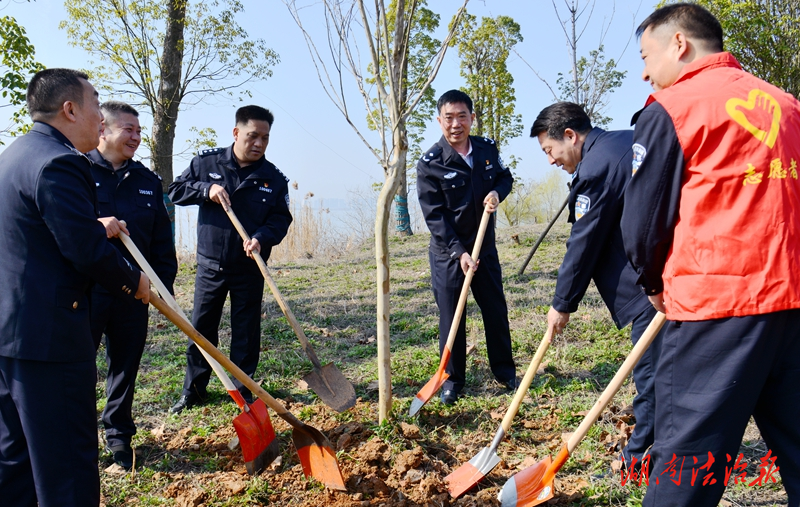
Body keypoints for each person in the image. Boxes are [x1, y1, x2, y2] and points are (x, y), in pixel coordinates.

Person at [621, 4, 800, 505]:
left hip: (717, 310)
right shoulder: (786, 104)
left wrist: (652, 282)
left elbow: (642, 221)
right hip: (791, 302)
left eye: (647, 56)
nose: (645, 72)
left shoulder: (673, 107)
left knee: (686, 469)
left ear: (679, 43)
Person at [0, 69, 149, 507]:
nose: (100, 120)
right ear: (69, 109)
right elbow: (84, 252)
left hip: (12, 336)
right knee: (66, 466)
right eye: (94, 106)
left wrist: (89, 227)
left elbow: (35, 234)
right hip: (52, 341)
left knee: (17, 460)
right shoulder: (61, 162)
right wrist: (133, 283)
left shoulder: (14, 155)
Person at [530, 101, 663, 470]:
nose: (551, 160)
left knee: (651, 378)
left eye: (550, 150)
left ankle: (640, 462)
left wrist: (562, 304)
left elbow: (584, 243)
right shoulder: (625, 141)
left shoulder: (597, 168)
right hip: (665, 274)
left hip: (649, 289)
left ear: (570, 135)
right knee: (667, 373)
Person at [168, 105, 292, 414]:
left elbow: (280, 219)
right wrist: (205, 188)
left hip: (249, 267)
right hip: (210, 264)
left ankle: (243, 390)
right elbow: (176, 191)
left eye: (265, 138)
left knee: (246, 332)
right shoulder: (206, 162)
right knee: (201, 328)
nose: (259, 144)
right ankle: (194, 390)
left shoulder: (273, 178)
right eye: (252, 136)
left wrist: (262, 238)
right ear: (236, 133)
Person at [88, 101, 177, 469]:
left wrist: (161, 287)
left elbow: (161, 241)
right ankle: (78, 438)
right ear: (103, 130)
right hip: (86, 292)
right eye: (129, 129)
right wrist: (96, 223)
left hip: (134, 292)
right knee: (79, 367)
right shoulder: (74, 171)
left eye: (139, 131)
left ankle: (119, 436)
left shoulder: (147, 181)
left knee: (125, 366)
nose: (136, 137)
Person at [416, 89, 517, 406]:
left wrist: (497, 193)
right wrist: (459, 253)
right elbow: (436, 217)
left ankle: (504, 373)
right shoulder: (430, 164)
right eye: (449, 117)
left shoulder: (487, 149)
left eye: (462, 116)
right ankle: (452, 381)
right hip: (449, 255)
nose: (456, 123)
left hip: (484, 249)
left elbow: (505, 177)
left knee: (495, 311)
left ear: (472, 118)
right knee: (452, 319)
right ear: (439, 120)